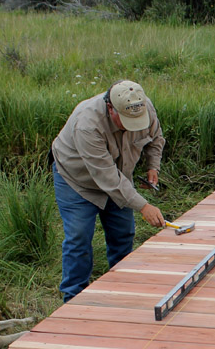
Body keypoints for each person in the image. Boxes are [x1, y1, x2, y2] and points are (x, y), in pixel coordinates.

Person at [51, 80, 166, 302]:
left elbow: (156, 139)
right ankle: (74, 299)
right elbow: (107, 177)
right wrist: (143, 206)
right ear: (111, 108)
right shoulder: (88, 124)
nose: (130, 126)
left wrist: (153, 166)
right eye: (125, 121)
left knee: (123, 233)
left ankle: (121, 290)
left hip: (119, 177)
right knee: (79, 238)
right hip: (77, 181)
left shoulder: (143, 107)